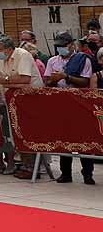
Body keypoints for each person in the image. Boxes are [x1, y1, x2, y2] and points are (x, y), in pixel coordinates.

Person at [44, 32, 95, 185]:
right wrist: (53, 80)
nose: (61, 49)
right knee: (63, 138)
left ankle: (87, 173)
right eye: (58, 46)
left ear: (71, 45)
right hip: (60, 103)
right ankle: (65, 173)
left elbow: (85, 81)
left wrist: (66, 77)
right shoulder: (53, 61)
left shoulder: (82, 59)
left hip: (79, 102)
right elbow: (47, 82)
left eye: (63, 46)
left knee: (84, 140)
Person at [0, 34, 43, 179]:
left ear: (9, 49)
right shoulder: (2, 58)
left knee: (30, 132)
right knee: (16, 131)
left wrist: (9, 81)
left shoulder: (23, 55)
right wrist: (12, 82)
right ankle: (24, 164)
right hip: (14, 99)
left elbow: (25, 79)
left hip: (31, 99)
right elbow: (2, 81)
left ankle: (33, 167)